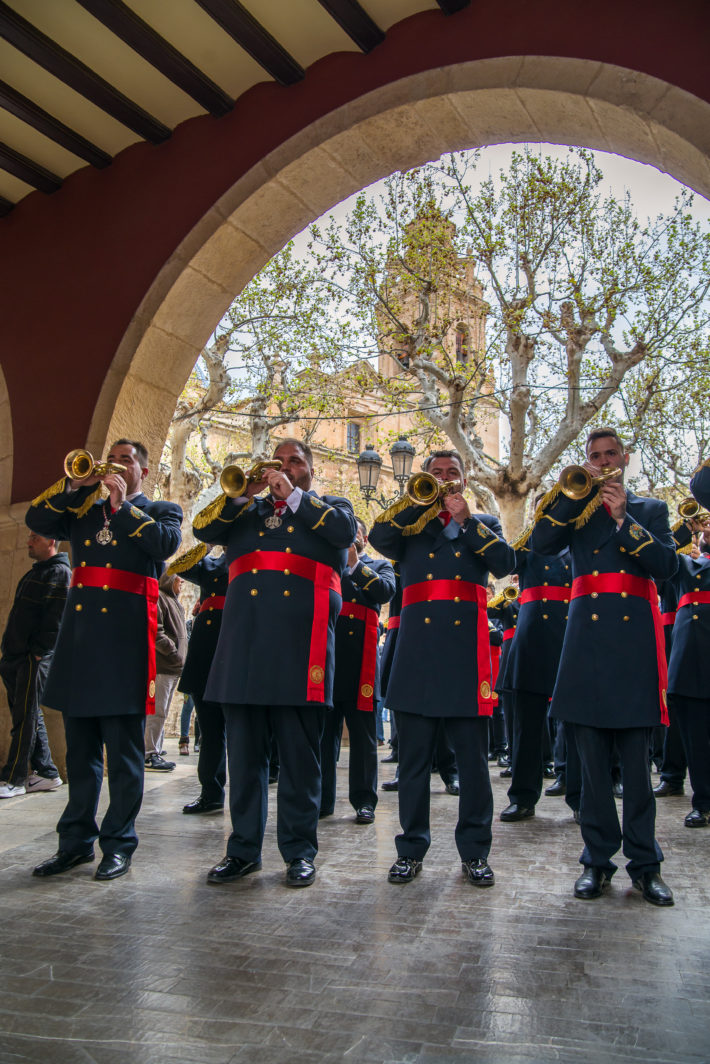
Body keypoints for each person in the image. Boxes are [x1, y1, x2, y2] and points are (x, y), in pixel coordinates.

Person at [193, 438, 356, 888]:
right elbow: (203, 532)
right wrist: (240, 495)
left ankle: (299, 852)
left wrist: (293, 496)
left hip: (299, 652)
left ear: (309, 469)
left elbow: (344, 536)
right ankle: (243, 850)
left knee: (300, 764)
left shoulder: (330, 507)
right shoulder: (244, 511)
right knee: (243, 760)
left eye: (294, 462)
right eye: (277, 462)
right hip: (243, 648)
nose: (282, 468)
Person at [530, 428, 677, 906]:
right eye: (595, 456)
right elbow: (542, 544)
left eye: (611, 454)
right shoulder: (576, 510)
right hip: (585, 649)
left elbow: (665, 567)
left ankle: (645, 864)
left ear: (626, 458)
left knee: (636, 771)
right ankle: (596, 862)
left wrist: (622, 519)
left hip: (632, 650)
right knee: (590, 770)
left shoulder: (650, 509)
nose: (604, 461)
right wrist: (575, 498)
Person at [26, 439, 182, 881]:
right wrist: (77, 485)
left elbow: (164, 545)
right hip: (82, 644)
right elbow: (37, 518)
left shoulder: (161, 509)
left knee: (125, 755)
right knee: (80, 755)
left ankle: (119, 844)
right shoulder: (81, 510)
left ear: (143, 472)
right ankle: (74, 843)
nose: (116, 465)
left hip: (126, 645)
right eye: (112, 458)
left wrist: (122, 506)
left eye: (126, 460)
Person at [369, 449, 515, 887]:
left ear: (465, 482)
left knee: (473, 766)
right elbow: (378, 536)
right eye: (436, 474)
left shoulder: (482, 524)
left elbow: (506, 565)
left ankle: (475, 853)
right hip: (416, 657)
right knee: (412, 765)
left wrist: (466, 521)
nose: (445, 479)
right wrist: (415, 503)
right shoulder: (411, 526)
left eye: (453, 473)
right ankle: (411, 849)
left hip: (465, 659)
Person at [320, 517, 395, 824]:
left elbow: (385, 592)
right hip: (328, 657)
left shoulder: (378, 566)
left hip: (361, 660)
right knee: (324, 736)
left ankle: (364, 800)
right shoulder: (328, 564)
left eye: (357, 532)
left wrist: (354, 564)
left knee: (364, 738)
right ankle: (321, 800)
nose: (353, 538)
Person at [497, 534, 571, 822]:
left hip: (571, 636)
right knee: (526, 727)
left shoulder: (579, 541)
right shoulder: (531, 543)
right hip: (532, 640)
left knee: (577, 726)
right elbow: (505, 562)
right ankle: (523, 797)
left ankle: (579, 796)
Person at [0, 530, 70, 798]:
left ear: (51, 541)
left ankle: (14, 779)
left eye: (35, 538)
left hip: (33, 659)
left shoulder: (60, 573)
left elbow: (57, 618)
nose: (28, 542)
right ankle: (47, 773)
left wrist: (38, 653)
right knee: (29, 715)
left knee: (25, 719)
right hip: (15, 657)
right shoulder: (35, 572)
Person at [167, 544, 228, 814]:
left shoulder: (256, 563)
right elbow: (179, 566)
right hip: (206, 655)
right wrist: (208, 542)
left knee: (244, 733)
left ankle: (245, 797)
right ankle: (211, 792)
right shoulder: (211, 566)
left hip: (238, 653)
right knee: (209, 730)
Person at [663, 516, 710, 827]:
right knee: (696, 736)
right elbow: (662, 563)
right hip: (690, 659)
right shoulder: (686, 563)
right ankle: (703, 801)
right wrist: (686, 528)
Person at [144, 571, 187, 770]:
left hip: (173, 666)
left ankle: (156, 749)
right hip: (163, 665)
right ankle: (148, 753)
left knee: (163, 711)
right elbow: (157, 631)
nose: (182, 582)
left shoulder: (173, 600)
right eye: (179, 579)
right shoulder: (160, 597)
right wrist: (174, 653)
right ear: (170, 580)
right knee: (157, 711)